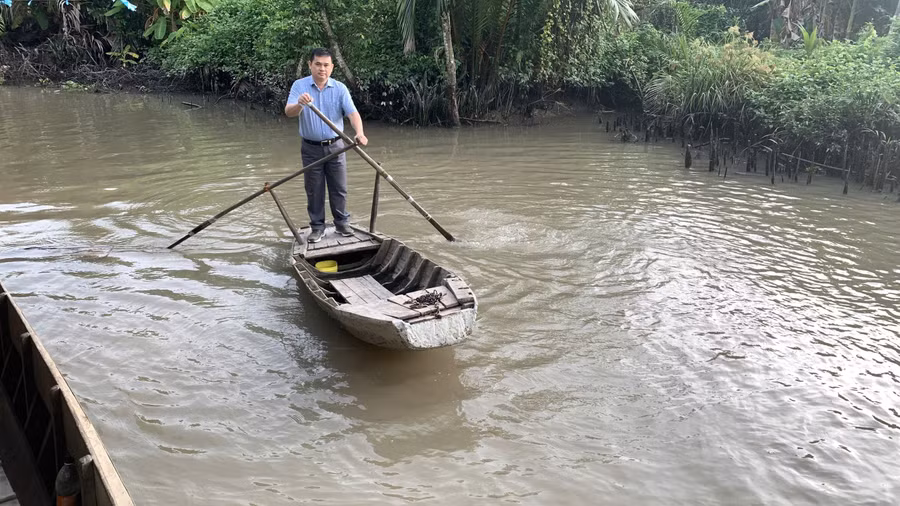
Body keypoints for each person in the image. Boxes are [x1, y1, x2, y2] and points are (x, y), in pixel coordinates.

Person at [285, 48, 368, 243]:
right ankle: (317, 227)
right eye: (318, 64)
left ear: (332, 67)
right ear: (310, 65)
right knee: (314, 189)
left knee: (339, 187)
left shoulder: (339, 88)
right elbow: (289, 112)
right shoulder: (300, 86)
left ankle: (341, 223)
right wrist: (300, 104)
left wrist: (360, 133)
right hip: (311, 148)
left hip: (337, 146)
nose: (322, 69)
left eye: (326, 65)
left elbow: (352, 114)